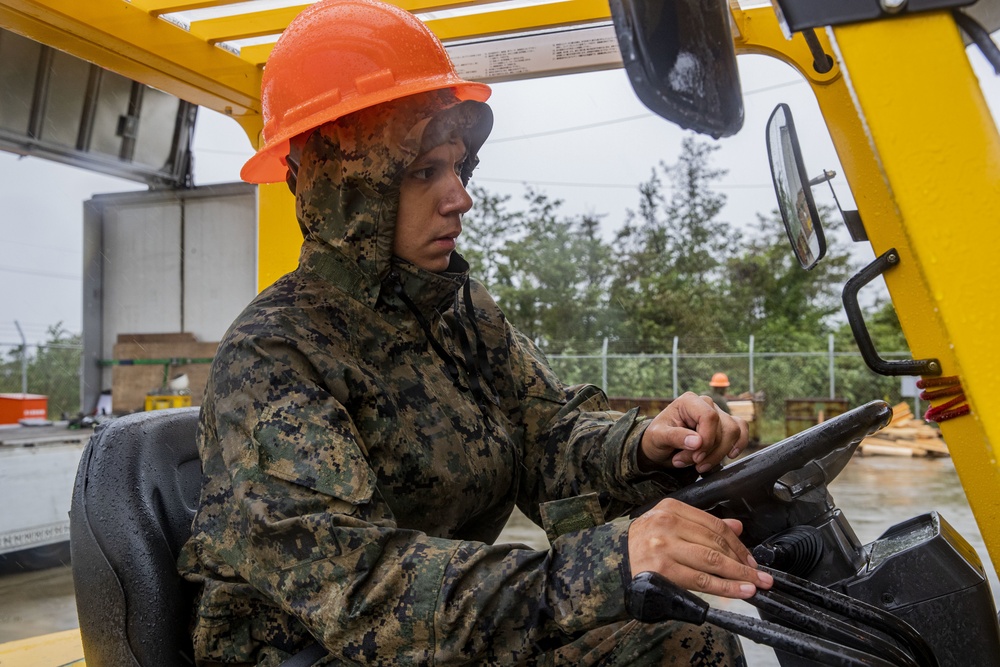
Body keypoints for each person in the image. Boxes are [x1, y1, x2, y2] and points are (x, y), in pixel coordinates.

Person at [178, 1, 770, 665]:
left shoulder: (456, 312)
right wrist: (608, 562)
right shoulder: (273, 358)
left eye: (458, 166)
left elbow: (544, 436)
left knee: (692, 636)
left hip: (437, 642)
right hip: (324, 653)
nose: (459, 195)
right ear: (350, 187)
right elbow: (362, 587)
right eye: (424, 171)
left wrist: (647, 444)